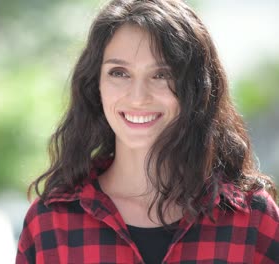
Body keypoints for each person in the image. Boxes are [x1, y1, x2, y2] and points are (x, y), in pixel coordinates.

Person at [16, 0, 279, 263]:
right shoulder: (49, 223)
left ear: (196, 90)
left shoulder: (254, 220)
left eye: (161, 74)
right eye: (119, 73)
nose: (138, 97)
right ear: (95, 85)